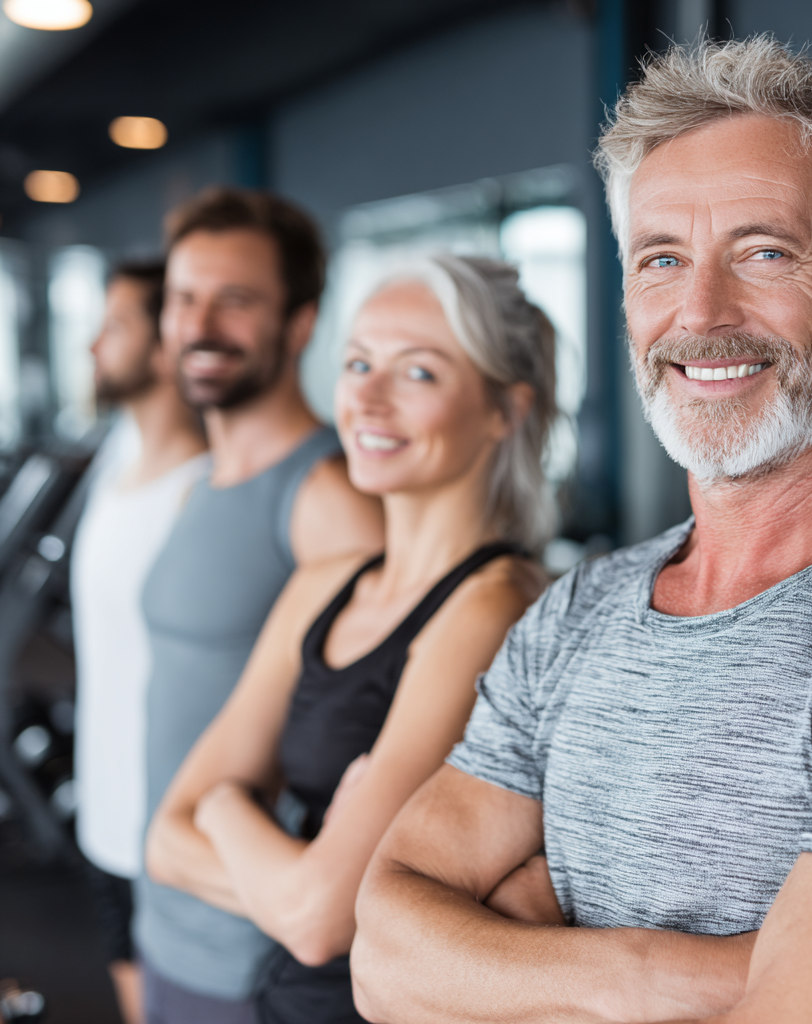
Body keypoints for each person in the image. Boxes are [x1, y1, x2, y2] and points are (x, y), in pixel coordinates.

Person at [351, 37, 812, 1024]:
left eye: (763, 252)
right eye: (661, 259)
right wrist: (678, 975)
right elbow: (382, 959)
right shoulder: (574, 613)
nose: (700, 314)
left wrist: (514, 952)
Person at [145, 255, 555, 1024]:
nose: (366, 397)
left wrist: (227, 810)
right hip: (277, 996)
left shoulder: (491, 607)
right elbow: (164, 840)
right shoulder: (324, 584)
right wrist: (280, 849)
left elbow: (320, 920)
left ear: (505, 409)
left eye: (419, 373)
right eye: (358, 363)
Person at [134, 187, 385, 1024]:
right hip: (168, 912)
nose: (200, 324)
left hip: (253, 955)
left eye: (235, 300)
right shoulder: (203, 479)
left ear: (301, 321)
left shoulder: (327, 497)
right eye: (183, 298)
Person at [72, 260, 209, 1024]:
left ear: (165, 344)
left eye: (115, 326)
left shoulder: (204, 486)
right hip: (104, 810)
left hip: (169, 828)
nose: (93, 345)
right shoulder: (114, 457)